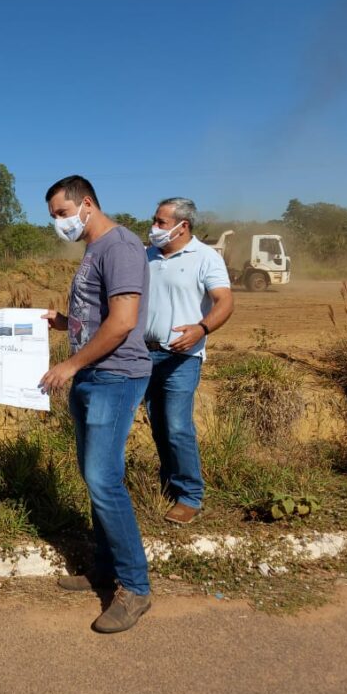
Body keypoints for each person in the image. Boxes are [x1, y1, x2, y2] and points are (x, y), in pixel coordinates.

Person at [39, 175, 153, 634]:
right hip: (93, 373)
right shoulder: (93, 249)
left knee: (104, 480)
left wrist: (69, 366)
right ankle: (104, 566)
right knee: (95, 476)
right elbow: (97, 317)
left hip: (115, 376)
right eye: (53, 218)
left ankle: (135, 587)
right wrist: (64, 322)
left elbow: (123, 322)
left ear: (86, 204)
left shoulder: (120, 247)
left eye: (62, 214)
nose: (58, 224)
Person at [144, 197, 234, 523]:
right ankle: (170, 482)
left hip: (182, 356)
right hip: (144, 353)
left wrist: (201, 328)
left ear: (183, 226)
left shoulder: (206, 258)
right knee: (158, 424)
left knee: (178, 425)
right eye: (154, 221)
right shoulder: (146, 256)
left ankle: (190, 496)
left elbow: (224, 301)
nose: (153, 228)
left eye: (160, 222)